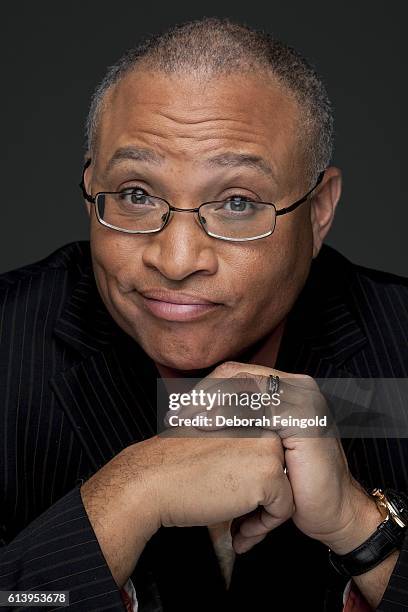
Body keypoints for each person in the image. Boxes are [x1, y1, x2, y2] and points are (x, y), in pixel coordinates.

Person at [0, 17, 407, 612]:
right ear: (92, 188)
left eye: (238, 203)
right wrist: (127, 497)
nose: (177, 258)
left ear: (319, 211)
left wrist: (360, 529)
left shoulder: (398, 357)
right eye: (137, 193)